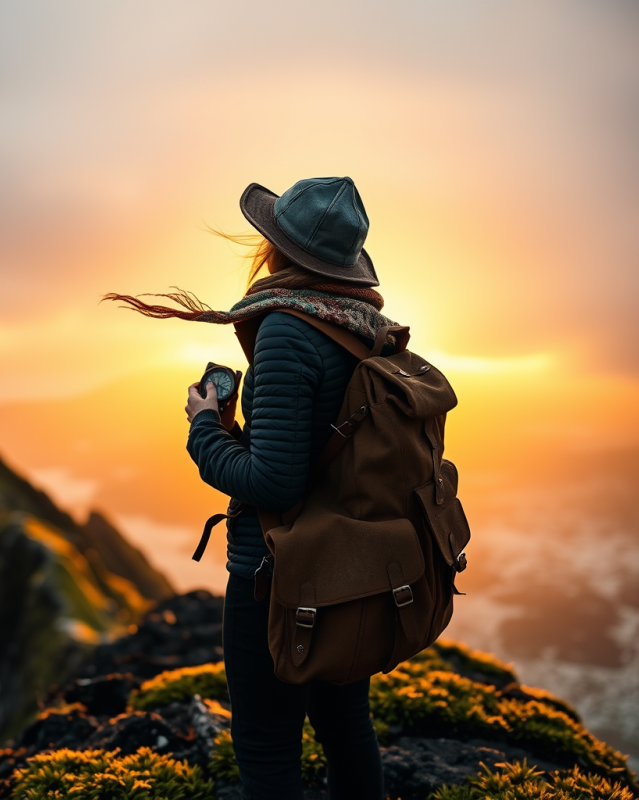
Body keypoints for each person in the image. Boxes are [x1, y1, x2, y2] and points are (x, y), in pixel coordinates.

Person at [105, 176, 393, 799]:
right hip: (349, 566)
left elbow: (274, 482)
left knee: (267, 748)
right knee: (347, 728)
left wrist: (205, 426)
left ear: (276, 247)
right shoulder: (363, 326)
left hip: (276, 577)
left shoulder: (291, 331)